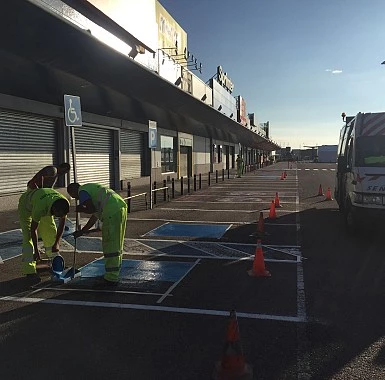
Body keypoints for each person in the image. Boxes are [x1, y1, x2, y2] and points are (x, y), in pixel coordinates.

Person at [67, 182, 128, 285]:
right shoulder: (92, 190)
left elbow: (90, 209)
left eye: (73, 196)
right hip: (120, 208)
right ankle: (114, 272)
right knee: (117, 243)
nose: (76, 199)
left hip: (111, 213)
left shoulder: (82, 192)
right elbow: (93, 217)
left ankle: (111, 277)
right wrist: (82, 231)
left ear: (73, 190)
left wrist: (80, 208)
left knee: (110, 245)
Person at [18, 188, 70, 276]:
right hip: (26, 206)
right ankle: (29, 269)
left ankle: (54, 262)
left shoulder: (64, 204)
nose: (59, 217)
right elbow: (33, 230)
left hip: (45, 202)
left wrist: (56, 243)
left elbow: (61, 226)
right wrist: (37, 251)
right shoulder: (40, 208)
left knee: (50, 231)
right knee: (28, 237)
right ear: (54, 209)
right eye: (58, 215)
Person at [27, 163, 71, 259]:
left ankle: (48, 250)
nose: (65, 173)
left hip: (42, 196)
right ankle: (51, 253)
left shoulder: (56, 174)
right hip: (39, 195)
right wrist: (41, 191)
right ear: (63, 167)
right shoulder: (53, 170)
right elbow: (39, 178)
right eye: (65, 171)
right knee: (48, 224)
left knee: (43, 222)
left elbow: (62, 223)